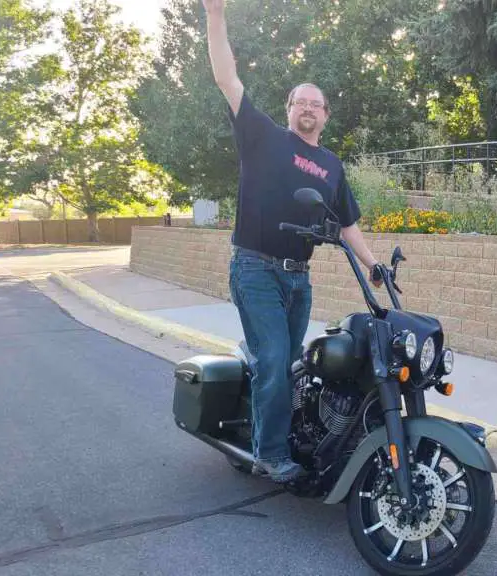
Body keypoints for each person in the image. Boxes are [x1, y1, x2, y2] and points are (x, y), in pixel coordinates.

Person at [202, 0, 381, 483]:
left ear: (325, 114)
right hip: (255, 268)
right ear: (289, 110)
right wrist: (216, 16)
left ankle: (288, 419)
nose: (307, 108)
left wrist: (372, 264)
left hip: (298, 279)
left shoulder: (332, 166)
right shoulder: (263, 136)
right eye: (299, 101)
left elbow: (347, 222)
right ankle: (270, 453)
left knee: (298, 363)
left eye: (315, 103)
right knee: (277, 360)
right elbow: (227, 79)